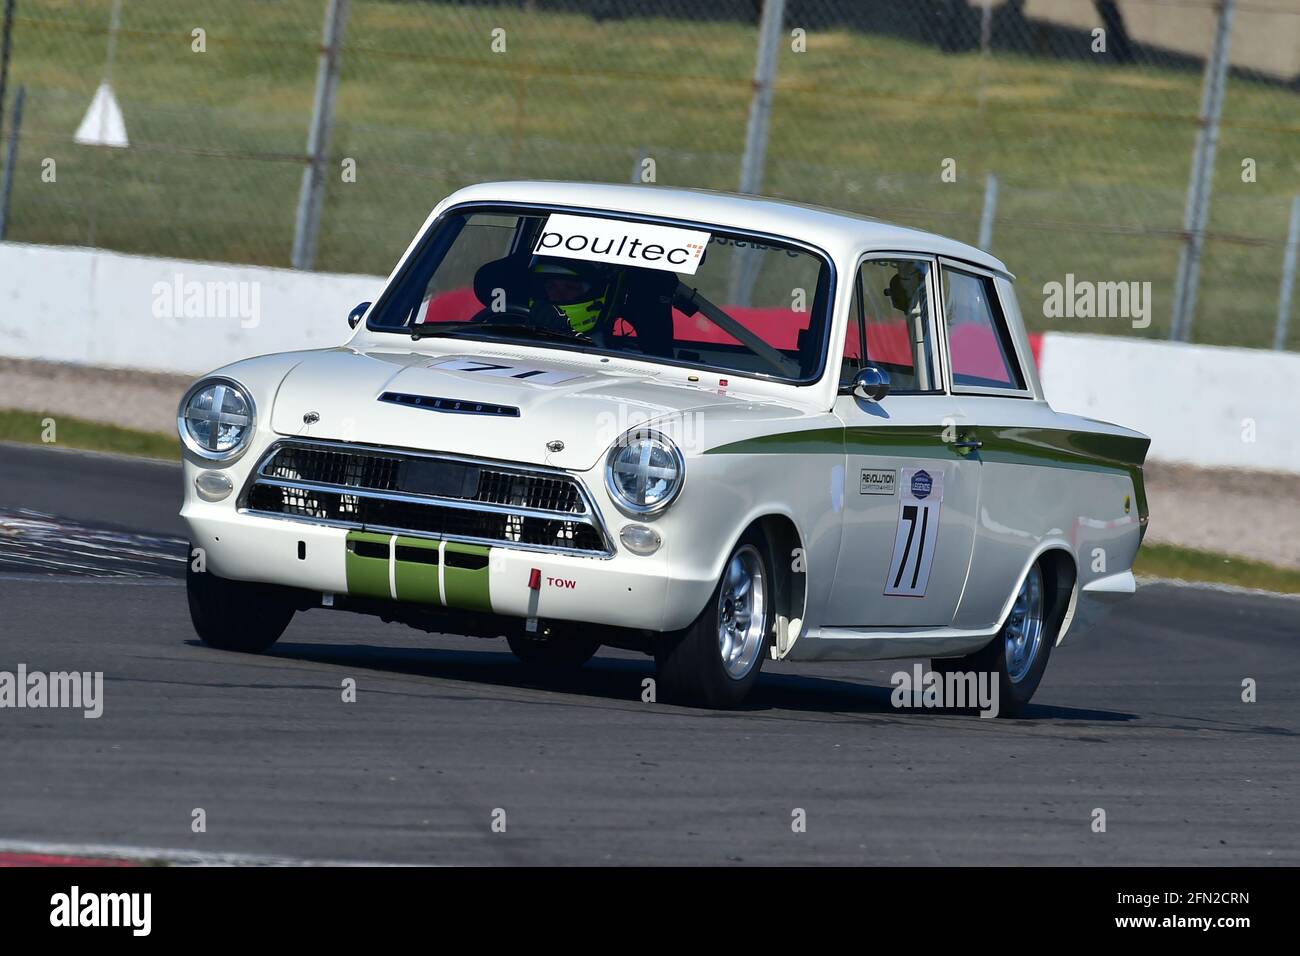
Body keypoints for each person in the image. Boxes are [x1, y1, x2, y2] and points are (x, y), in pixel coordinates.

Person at [527, 259, 614, 336]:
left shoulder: (610, 350)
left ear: (588, 293)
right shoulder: (521, 330)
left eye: (570, 287)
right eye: (551, 287)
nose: (559, 294)